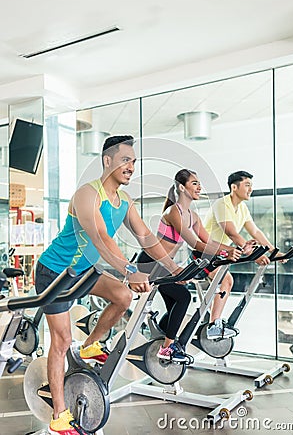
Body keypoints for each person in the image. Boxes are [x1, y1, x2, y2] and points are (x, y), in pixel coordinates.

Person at [35, 135, 181, 435]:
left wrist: (174, 267)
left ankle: (90, 346)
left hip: (83, 272)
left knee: (123, 296)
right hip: (55, 272)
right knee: (61, 342)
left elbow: (146, 238)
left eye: (134, 162)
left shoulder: (124, 201)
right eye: (125, 160)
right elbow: (101, 239)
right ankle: (59, 416)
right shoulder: (87, 195)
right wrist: (130, 270)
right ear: (107, 161)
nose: (131, 167)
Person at [137, 168, 242, 360]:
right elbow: (194, 243)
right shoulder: (173, 212)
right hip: (151, 262)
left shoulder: (192, 215)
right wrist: (225, 251)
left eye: (199, 183)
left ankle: (161, 337)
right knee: (183, 297)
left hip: (165, 264)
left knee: (176, 305)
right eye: (194, 183)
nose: (199, 186)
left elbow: (209, 242)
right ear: (181, 188)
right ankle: (167, 349)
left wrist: (233, 248)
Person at [204, 170, 277, 338]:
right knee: (226, 281)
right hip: (205, 252)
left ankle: (214, 323)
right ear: (234, 187)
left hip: (222, 253)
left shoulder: (242, 208)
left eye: (251, 185)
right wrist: (253, 253)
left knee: (226, 282)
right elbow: (231, 233)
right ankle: (213, 326)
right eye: (247, 185)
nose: (250, 189)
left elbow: (255, 231)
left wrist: (273, 250)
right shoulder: (222, 204)